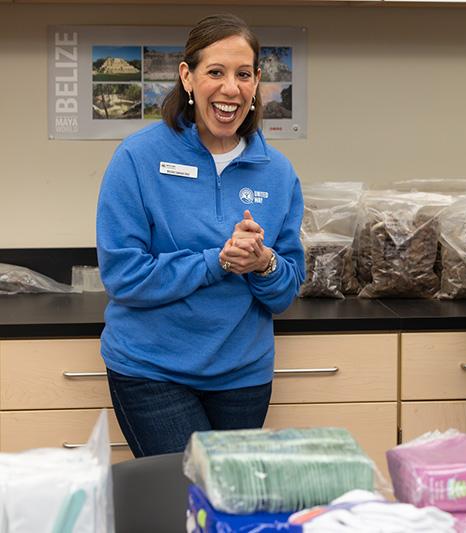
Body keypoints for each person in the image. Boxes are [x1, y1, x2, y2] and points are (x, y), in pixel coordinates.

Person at [96, 13, 305, 457]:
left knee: (227, 508)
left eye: (243, 74)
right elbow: (123, 275)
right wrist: (219, 261)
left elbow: (285, 291)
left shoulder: (278, 172)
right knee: (184, 502)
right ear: (187, 78)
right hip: (153, 370)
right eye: (216, 72)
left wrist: (263, 263)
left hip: (242, 376)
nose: (230, 88)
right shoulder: (137, 158)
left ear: (256, 83)